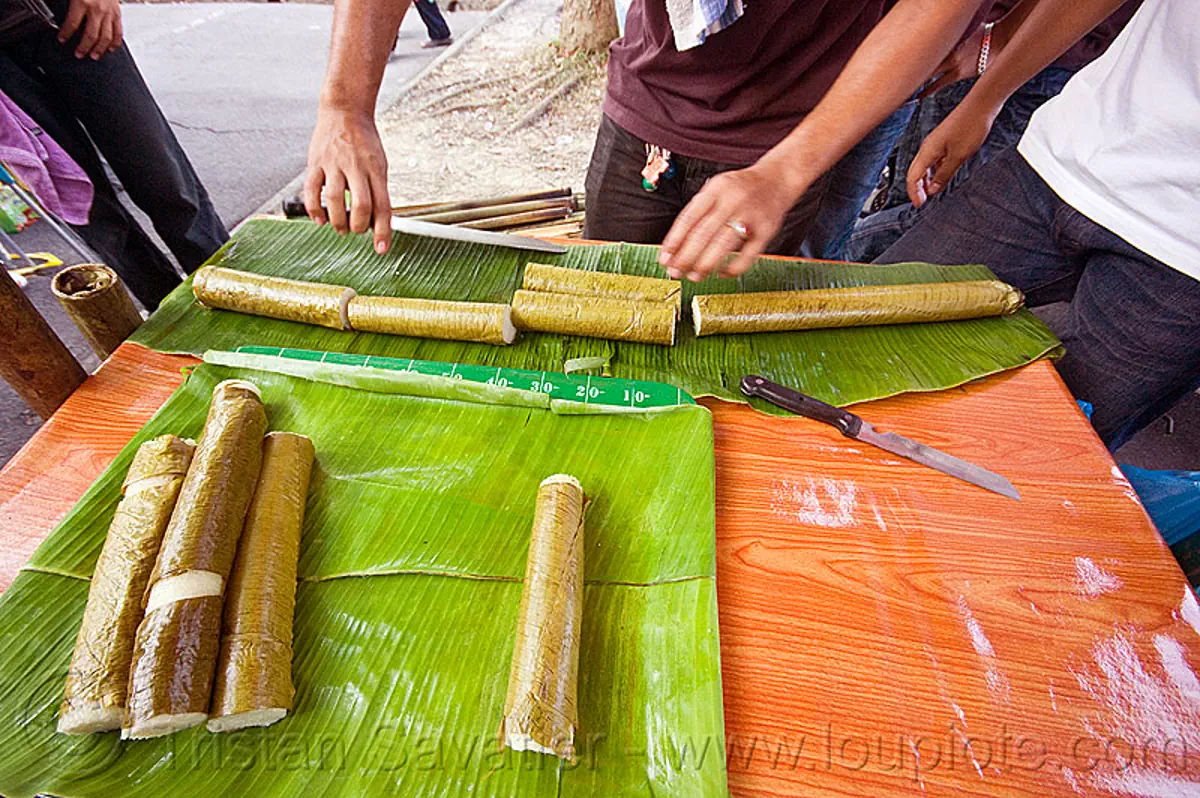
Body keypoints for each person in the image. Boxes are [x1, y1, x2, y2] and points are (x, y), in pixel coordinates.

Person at [303, 0, 992, 258]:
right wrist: (345, 104)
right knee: (602, 290)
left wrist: (785, 172)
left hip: (800, 123)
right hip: (648, 105)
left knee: (744, 333)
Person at [874, 0, 1198, 450]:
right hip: (1071, 150)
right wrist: (986, 97)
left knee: (1032, 452)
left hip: (1187, 259)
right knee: (864, 333)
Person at [840, 0, 1139, 263]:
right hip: (1008, 52)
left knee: (917, 205)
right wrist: (994, 51)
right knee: (933, 215)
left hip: (1043, 56)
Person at [0, 0, 227, 308]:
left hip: (67, 12)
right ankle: (172, 313)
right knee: (89, 209)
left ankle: (235, 290)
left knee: (162, 177)